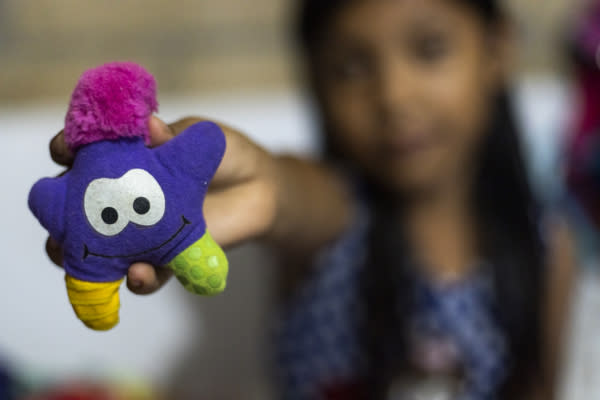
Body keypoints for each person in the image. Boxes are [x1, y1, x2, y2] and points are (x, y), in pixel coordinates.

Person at [46, 0, 576, 398]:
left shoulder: (547, 249)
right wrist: (250, 175)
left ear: (498, 49)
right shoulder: (336, 217)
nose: (393, 96)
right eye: (351, 67)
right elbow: (287, 193)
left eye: (429, 50)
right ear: (319, 84)